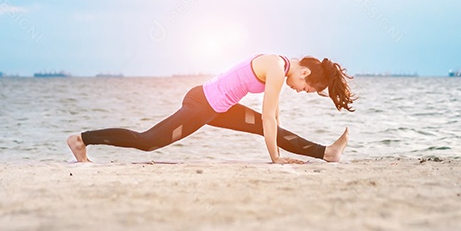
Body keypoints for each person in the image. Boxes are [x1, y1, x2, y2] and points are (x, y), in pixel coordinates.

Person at [67, 54, 355, 164]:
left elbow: (273, 118)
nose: (302, 92)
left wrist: (276, 140)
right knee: (148, 142)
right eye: (307, 89)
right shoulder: (277, 68)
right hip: (201, 105)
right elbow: (268, 116)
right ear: (304, 73)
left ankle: (326, 153)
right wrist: (275, 159)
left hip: (218, 107)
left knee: (266, 127)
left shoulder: (280, 66)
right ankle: (82, 139)